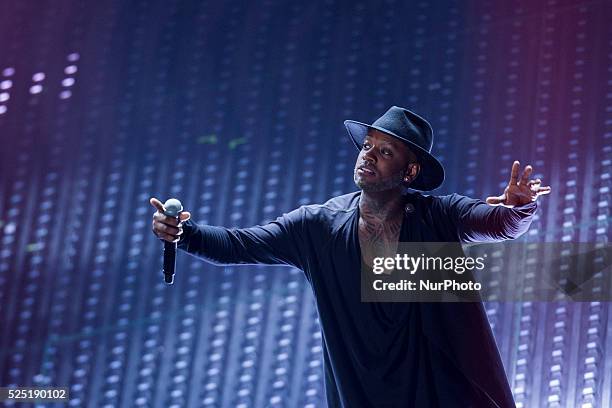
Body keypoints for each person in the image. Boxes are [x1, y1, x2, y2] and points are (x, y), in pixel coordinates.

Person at [150, 106, 551, 407]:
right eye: (367, 146)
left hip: (441, 393)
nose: (368, 156)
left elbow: (498, 223)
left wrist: (520, 209)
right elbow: (238, 245)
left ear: (409, 172)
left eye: (385, 151)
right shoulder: (318, 226)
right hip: (365, 392)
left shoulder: (437, 216)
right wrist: (184, 233)